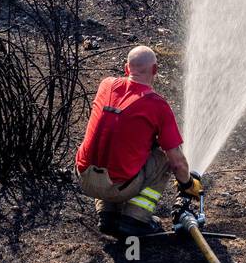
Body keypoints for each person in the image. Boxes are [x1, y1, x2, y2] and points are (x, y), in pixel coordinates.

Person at [75, 45, 203, 237]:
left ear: (127, 68)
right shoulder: (157, 105)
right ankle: (135, 218)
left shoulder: (106, 85)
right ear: (155, 70)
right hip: (118, 187)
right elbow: (177, 162)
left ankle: (107, 214)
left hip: (84, 178)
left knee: (111, 147)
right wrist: (187, 185)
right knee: (163, 159)